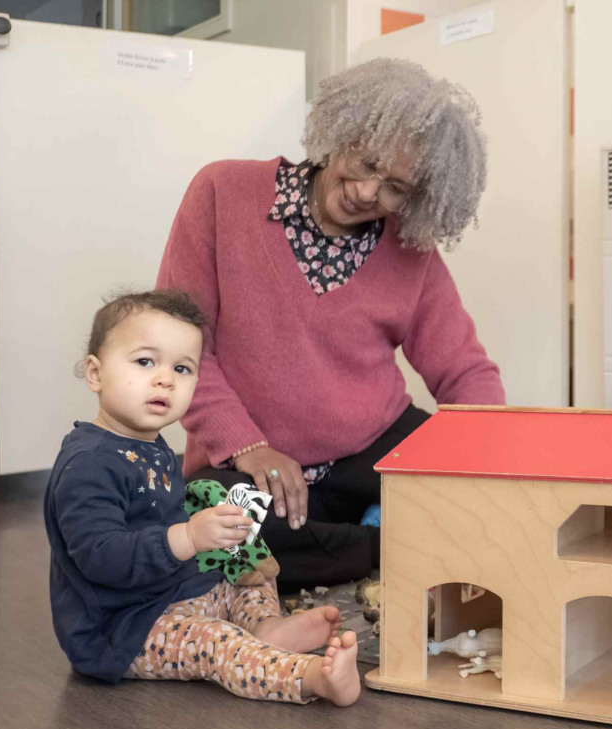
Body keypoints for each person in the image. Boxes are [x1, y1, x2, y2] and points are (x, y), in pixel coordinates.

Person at [157, 58, 505, 592]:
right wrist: (248, 447)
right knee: (215, 535)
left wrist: (497, 457)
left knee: (487, 507)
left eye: (395, 187)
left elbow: (462, 368)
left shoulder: (411, 249)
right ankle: (390, 544)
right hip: (249, 461)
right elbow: (180, 349)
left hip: (371, 446)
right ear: (341, 129)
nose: (368, 192)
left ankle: (356, 539)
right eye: (366, 162)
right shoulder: (222, 191)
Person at [43, 290, 360, 705]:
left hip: (175, 594)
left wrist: (214, 530)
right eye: (145, 362)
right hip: (123, 628)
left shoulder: (152, 447)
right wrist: (189, 537)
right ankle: (310, 677)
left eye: (182, 368)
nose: (165, 379)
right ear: (95, 374)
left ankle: (267, 627)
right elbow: (102, 557)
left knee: (250, 568)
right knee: (216, 642)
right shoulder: (88, 465)